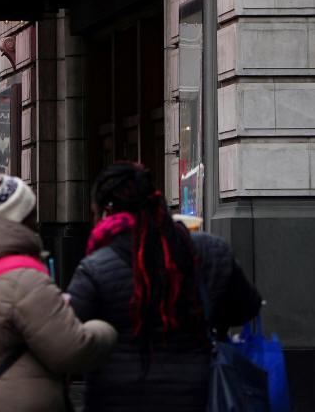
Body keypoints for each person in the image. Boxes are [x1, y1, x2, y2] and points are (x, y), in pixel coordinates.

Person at [67, 162, 262, 411]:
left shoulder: (95, 268)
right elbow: (246, 308)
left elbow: (71, 341)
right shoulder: (210, 250)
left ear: (107, 211)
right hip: (197, 394)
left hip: (117, 398)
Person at [0, 169, 116, 412]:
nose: (36, 222)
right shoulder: (24, 279)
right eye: (31, 212)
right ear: (17, 218)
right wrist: (105, 329)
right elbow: (71, 351)